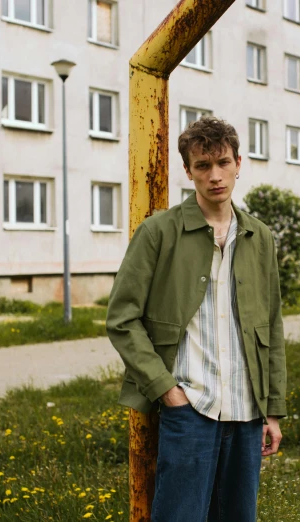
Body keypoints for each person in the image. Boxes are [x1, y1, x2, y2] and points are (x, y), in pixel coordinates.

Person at [106, 116, 287, 522]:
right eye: (203, 166)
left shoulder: (259, 238)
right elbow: (122, 319)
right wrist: (166, 390)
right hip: (190, 406)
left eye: (223, 163)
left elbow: (271, 327)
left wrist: (272, 410)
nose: (215, 176)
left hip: (246, 409)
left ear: (239, 163)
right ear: (187, 171)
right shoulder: (159, 232)